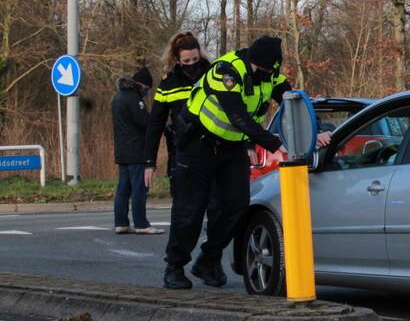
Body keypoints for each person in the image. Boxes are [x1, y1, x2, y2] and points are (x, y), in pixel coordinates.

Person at [162, 35, 329, 289]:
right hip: (198, 143)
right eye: (261, 70)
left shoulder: (270, 74)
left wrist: (313, 133)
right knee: (190, 211)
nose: (265, 75)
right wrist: (276, 144)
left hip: (231, 147)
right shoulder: (227, 71)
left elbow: (295, 103)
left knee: (236, 205)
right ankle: (174, 267)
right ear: (253, 61)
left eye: (269, 71)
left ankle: (209, 258)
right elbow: (238, 116)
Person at [143, 32, 211, 197]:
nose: (192, 64)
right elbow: (155, 124)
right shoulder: (168, 84)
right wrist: (149, 163)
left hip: (212, 151)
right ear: (177, 60)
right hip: (183, 152)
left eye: (195, 59)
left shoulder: (212, 75)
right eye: (186, 61)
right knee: (183, 211)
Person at [111, 66, 164, 235]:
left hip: (122, 151)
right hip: (136, 151)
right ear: (141, 85)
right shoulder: (134, 99)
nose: (147, 92)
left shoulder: (117, 97)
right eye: (147, 88)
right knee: (139, 188)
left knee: (123, 189)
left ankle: (121, 223)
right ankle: (141, 224)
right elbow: (145, 123)